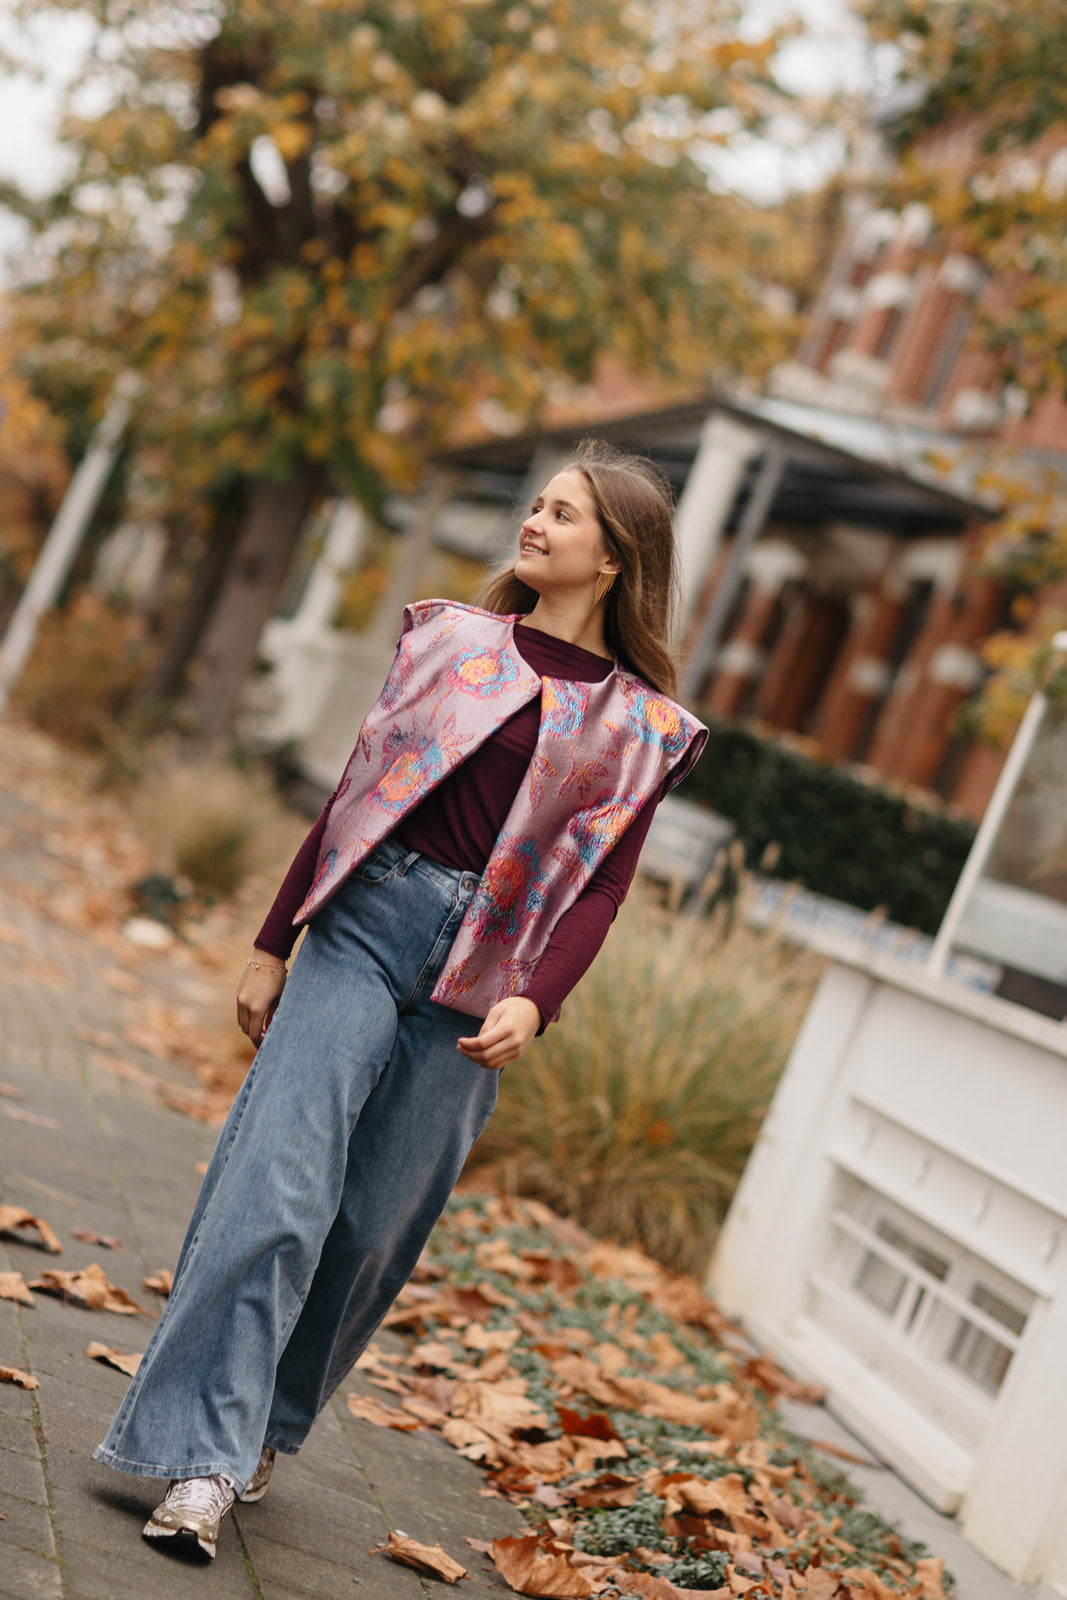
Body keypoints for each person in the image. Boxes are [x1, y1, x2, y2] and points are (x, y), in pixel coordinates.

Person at [93, 439, 707, 1558]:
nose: (534, 523)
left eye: (561, 515)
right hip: (365, 925)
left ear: (614, 558)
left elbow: (606, 882)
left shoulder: (641, 726)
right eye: (535, 504)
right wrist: (273, 938)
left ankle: (270, 1422)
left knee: (373, 1225)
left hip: (483, 978)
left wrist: (540, 998)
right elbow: (353, 790)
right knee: (276, 1190)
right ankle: (203, 1459)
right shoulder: (446, 641)